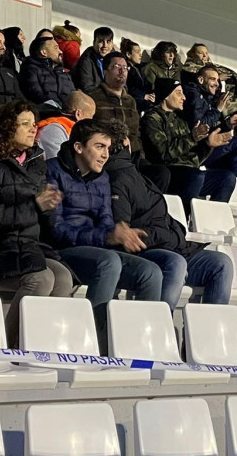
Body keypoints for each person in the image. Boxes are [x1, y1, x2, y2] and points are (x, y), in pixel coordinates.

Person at [0, 101, 74, 346]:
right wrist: (35, 206)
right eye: (25, 124)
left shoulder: (34, 163)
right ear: (6, 128)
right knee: (41, 279)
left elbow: (41, 223)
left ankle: (44, 343)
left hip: (23, 248)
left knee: (63, 276)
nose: (34, 129)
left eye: (34, 124)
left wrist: (51, 208)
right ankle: (13, 346)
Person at [46, 120, 164, 339]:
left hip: (97, 248)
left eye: (108, 148)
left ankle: (139, 344)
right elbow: (57, 230)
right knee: (109, 262)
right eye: (99, 146)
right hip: (61, 252)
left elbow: (106, 223)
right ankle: (90, 340)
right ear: (79, 147)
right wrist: (108, 236)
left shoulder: (102, 178)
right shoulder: (52, 170)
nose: (105, 155)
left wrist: (118, 234)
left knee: (151, 272)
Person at [104, 143, 233, 309]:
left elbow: (160, 217)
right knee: (175, 263)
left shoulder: (137, 174)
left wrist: (174, 233)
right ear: (125, 144)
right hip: (150, 251)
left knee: (221, 263)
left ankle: (211, 331)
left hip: (171, 245)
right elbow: (126, 234)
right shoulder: (117, 179)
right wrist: (166, 236)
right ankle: (161, 325)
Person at [140, 78, 236, 206]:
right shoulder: (152, 118)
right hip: (170, 171)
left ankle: (210, 222)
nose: (184, 98)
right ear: (166, 96)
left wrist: (208, 145)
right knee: (196, 176)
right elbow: (164, 154)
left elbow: (194, 158)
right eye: (179, 93)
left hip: (189, 172)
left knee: (227, 178)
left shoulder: (180, 120)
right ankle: (184, 218)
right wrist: (192, 138)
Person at [181, 64, 237, 181]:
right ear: (201, 80)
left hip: (207, 147)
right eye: (213, 79)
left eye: (218, 80)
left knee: (236, 160)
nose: (217, 84)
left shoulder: (208, 98)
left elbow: (212, 125)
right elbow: (200, 125)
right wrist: (218, 110)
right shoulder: (194, 95)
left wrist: (229, 124)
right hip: (196, 149)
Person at [89, 52, 143, 153]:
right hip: (109, 153)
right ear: (105, 71)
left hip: (134, 154)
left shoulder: (131, 101)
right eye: (117, 66)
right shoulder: (94, 98)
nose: (122, 71)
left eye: (125, 67)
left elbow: (136, 133)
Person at [36, 91, 96, 160]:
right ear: (78, 114)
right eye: (90, 116)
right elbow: (56, 165)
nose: (91, 122)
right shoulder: (54, 131)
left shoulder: (67, 129)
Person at [19, 35, 76, 107]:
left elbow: (74, 94)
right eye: (56, 48)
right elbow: (36, 95)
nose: (60, 51)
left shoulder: (63, 72)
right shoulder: (30, 69)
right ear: (44, 52)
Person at [71, 26, 115, 92]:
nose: (105, 46)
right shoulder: (86, 60)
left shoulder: (116, 59)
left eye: (108, 42)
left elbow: (123, 85)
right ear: (94, 43)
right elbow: (87, 88)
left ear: (112, 44)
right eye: (101, 41)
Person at [119, 37, 154, 112]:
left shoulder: (139, 69)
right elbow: (129, 88)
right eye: (137, 52)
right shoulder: (126, 70)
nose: (140, 55)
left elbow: (147, 85)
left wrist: (151, 94)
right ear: (128, 54)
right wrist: (143, 96)